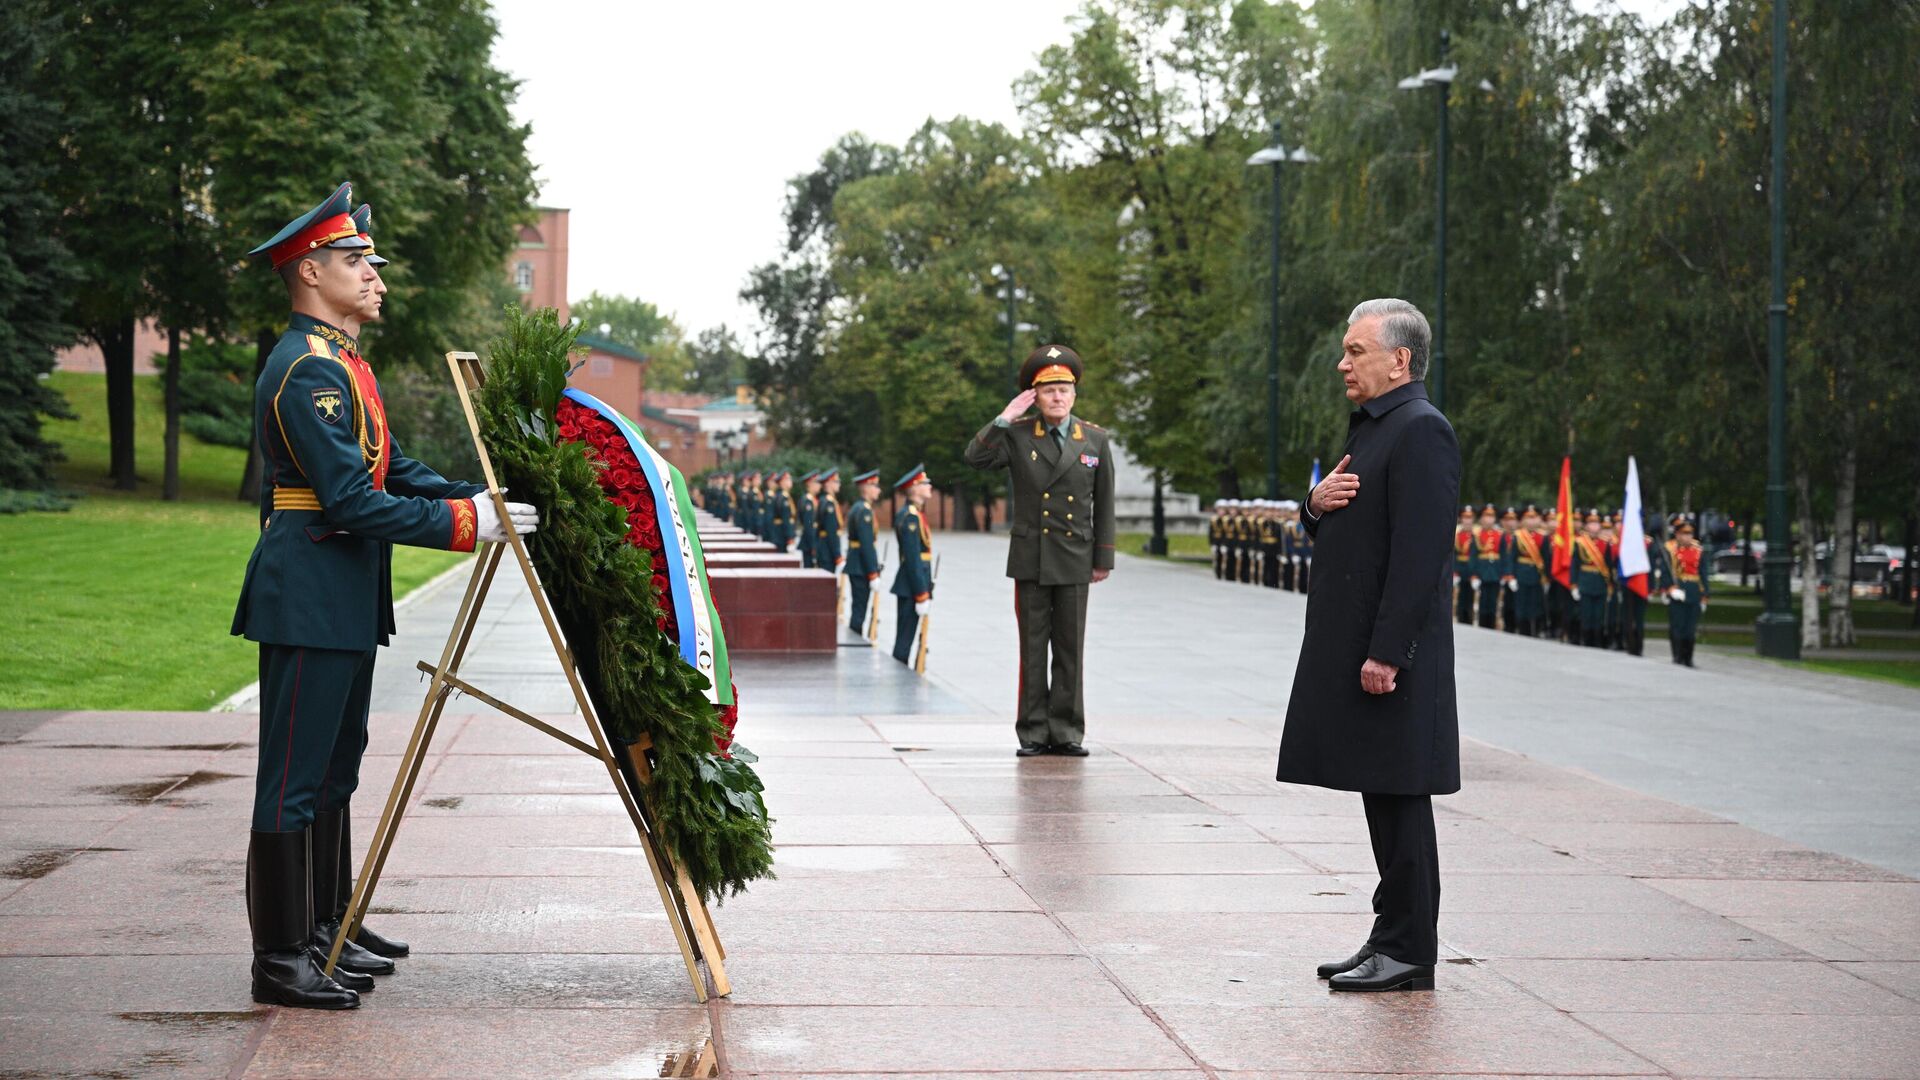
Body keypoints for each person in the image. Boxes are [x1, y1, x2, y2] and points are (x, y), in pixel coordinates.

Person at [231, 183, 537, 1010]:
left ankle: (326, 927)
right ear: (308, 272)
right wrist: (469, 524)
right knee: (293, 776)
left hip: (341, 585)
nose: (377, 277)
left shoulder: (343, 366)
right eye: (357, 262)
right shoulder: (304, 372)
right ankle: (280, 957)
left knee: (335, 769)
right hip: (309, 587)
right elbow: (350, 502)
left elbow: (395, 472)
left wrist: (489, 495)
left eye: (371, 262)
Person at [1278, 298, 1459, 994]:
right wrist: (1312, 508)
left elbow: (1420, 557)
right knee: (1383, 796)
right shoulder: (1380, 428)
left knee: (1402, 796)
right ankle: (1390, 936)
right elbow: (1360, 525)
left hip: (1395, 659)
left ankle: (1410, 949)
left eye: (1356, 351)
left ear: (1399, 360)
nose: (1342, 363)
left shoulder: (1420, 430)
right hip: (1368, 650)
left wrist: (1388, 652)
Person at [964, 344, 1116, 757]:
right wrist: (1004, 417)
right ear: (1035, 396)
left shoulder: (1095, 440)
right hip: (1031, 558)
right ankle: (1032, 731)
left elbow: (1104, 502)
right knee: (1033, 649)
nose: (1057, 397)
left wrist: (1103, 558)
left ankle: (1066, 731)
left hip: (1074, 557)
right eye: (1048, 391)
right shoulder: (1016, 434)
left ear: (1074, 395)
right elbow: (975, 458)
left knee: (1070, 649)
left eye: (1064, 390)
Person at [889, 465, 935, 665]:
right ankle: (900, 675)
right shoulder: (910, 516)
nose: (929, 486)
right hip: (911, 585)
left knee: (908, 633)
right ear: (914, 488)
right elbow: (913, 558)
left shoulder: (915, 514)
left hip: (915, 583)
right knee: (905, 638)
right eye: (925, 483)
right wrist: (921, 592)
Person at [1661, 516, 1709, 666]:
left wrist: (1704, 596)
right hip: (1678, 592)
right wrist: (1670, 589)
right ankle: (1677, 656)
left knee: (1690, 628)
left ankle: (1688, 658)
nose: (1687, 536)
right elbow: (1665, 573)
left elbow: (1703, 574)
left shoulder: (1699, 551)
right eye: (1684, 533)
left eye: (1689, 533)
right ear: (1677, 534)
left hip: (1694, 592)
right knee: (1677, 627)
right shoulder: (1670, 550)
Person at [845, 470, 882, 633]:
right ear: (866, 488)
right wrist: (873, 573)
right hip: (860, 566)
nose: (878, 490)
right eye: (875, 486)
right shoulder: (864, 511)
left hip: (856, 563)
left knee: (858, 606)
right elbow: (866, 545)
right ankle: (856, 640)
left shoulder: (858, 507)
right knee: (860, 609)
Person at [1572, 509, 1613, 648]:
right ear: (1586, 525)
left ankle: (1597, 643)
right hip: (1585, 582)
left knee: (1598, 616)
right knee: (1586, 615)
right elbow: (1575, 564)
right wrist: (1574, 584)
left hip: (1600, 584)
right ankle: (1586, 641)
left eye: (1596, 523)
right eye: (1591, 523)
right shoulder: (1579, 542)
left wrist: (1610, 586)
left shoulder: (1606, 544)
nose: (1594, 526)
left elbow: (1608, 567)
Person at [1509, 505, 1549, 637]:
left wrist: (1547, 578)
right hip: (1521, 574)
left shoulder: (1543, 537)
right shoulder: (1518, 536)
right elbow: (1512, 558)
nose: (1531, 521)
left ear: (1538, 520)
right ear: (1524, 520)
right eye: (1528, 518)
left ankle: (1536, 631)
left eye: (1534, 518)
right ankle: (1522, 631)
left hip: (1537, 576)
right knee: (1522, 605)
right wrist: (1512, 576)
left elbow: (1546, 559)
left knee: (1536, 604)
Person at [1471, 504, 1503, 629]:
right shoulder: (1477, 535)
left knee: (1493, 602)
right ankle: (1482, 625)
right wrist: (1474, 575)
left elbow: (1504, 556)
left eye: (1491, 516)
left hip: (1495, 572)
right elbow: (1473, 557)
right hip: (1482, 572)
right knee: (1483, 602)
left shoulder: (1500, 535)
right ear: (1481, 519)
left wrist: (1504, 574)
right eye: (1486, 516)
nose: (1489, 519)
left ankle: (1492, 625)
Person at [815, 468, 844, 573]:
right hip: (827, 551)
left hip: (824, 550)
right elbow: (831, 531)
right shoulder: (828, 503)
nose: (839, 484)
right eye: (836, 481)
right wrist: (837, 556)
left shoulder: (825, 500)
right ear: (828, 483)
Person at [1453, 506, 1475, 624]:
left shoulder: (1476, 534)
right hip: (1460, 568)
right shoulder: (1457, 535)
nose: (1468, 520)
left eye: (1470, 517)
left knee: (1471, 597)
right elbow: (1454, 555)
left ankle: (1470, 619)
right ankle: (1461, 618)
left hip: (1472, 569)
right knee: (1460, 597)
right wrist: (1455, 572)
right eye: (1465, 517)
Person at [797, 471, 820, 568]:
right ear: (810, 483)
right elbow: (808, 525)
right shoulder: (807, 501)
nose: (820, 485)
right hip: (809, 542)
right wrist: (813, 545)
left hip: (811, 541)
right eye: (817, 482)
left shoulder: (812, 500)